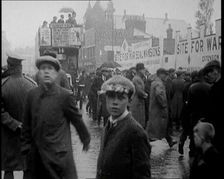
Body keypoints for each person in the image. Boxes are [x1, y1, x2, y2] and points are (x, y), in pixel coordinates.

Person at [21, 55, 91, 179]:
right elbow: (26, 126)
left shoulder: (64, 96)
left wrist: (85, 138)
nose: (46, 71)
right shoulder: (31, 95)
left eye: (50, 68)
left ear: (56, 73)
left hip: (59, 160)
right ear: (39, 73)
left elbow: (77, 120)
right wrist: (26, 149)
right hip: (37, 160)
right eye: (43, 68)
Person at [96, 75, 151, 179]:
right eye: (111, 96)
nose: (115, 102)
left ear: (130, 101)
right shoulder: (108, 126)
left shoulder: (135, 132)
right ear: (105, 98)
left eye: (121, 97)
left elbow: (142, 174)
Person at [1, 53, 37, 179]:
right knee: (27, 168)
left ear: (9, 66)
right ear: (21, 66)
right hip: (27, 136)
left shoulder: (3, 85)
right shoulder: (32, 85)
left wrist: (15, 124)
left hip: (8, 135)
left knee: (8, 169)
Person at [146, 68, 176, 147]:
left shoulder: (155, 82)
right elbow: (159, 94)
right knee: (155, 129)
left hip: (155, 108)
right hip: (159, 109)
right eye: (165, 74)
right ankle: (145, 144)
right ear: (160, 74)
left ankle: (169, 140)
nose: (166, 76)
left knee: (159, 127)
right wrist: (163, 104)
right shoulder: (159, 83)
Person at [130, 63, 148, 128]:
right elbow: (139, 91)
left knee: (140, 120)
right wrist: (146, 95)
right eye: (143, 69)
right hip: (137, 102)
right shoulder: (136, 79)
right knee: (138, 120)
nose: (144, 71)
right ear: (140, 70)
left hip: (139, 102)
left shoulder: (139, 78)